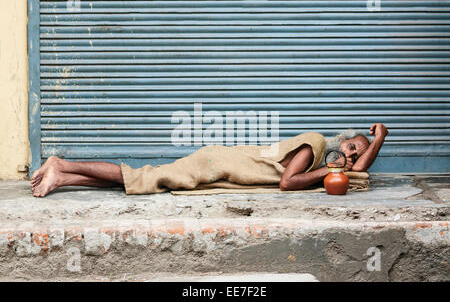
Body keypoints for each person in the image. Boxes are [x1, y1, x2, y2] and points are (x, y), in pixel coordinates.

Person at [31, 123, 388, 197]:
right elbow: (287, 183)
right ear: (339, 142)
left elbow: (356, 173)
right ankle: (63, 164)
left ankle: (62, 178)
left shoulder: (332, 163)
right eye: (352, 147)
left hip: (220, 166)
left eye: (357, 152)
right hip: (213, 163)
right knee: (144, 177)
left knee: (146, 180)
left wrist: (378, 139)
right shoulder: (315, 146)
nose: (352, 156)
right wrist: (334, 167)